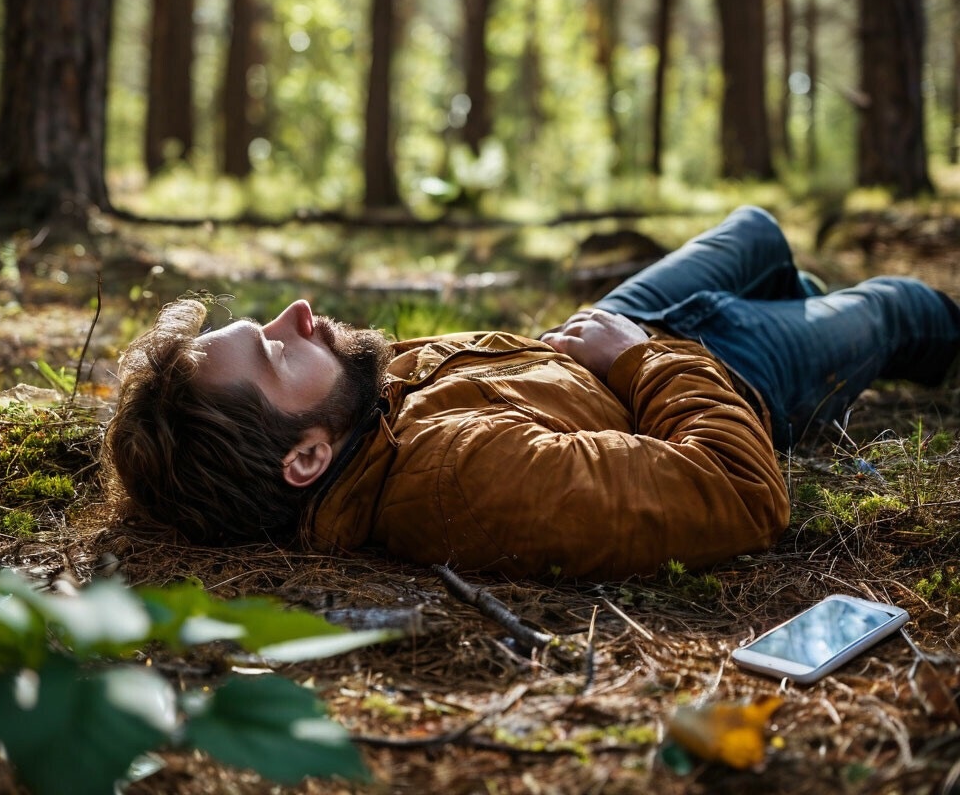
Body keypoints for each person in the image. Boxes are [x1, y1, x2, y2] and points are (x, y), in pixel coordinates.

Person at [102, 206, 960, 581]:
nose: (294, 313)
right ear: (307, 456)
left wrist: (615, 338)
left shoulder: (352, 405)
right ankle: (841, 352)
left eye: (268, 321)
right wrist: (642, 362)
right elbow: (738, 494)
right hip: (721, 374)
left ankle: (807, 313)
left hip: (618, 326)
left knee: (756, 232)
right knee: (899, 304)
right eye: (275, 351)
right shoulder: (459, 486)